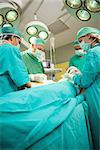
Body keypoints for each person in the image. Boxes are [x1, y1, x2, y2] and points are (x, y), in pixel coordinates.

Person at [66, 27, 100, 149]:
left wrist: (73, 77)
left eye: (81, 40)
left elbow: (85, 82)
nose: (81, 44)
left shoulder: (93, 52)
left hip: (96, 97)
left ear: (89, 37)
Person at [0, 26, 34, 96]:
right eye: (19, 42)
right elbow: (18, 72)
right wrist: (32, 85)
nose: (18, 45)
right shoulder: (10, 48)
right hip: (5, 92)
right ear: (12, 38)